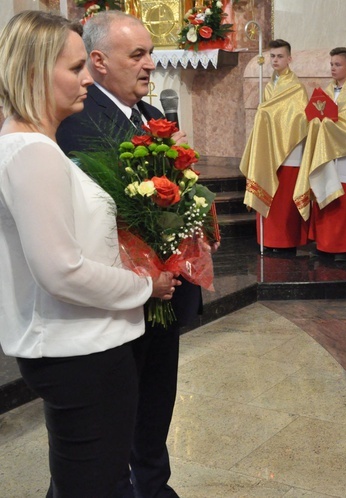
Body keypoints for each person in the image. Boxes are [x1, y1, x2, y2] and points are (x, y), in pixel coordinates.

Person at [0, 11, 176, 497]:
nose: (86, 80)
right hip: (80, 352)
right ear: (35, 71)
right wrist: (147, 285)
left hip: (84, 346)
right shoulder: (33, 152)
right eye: (75, 69)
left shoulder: (33, 144)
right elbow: (62, 270)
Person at [56, 11, 196, 497]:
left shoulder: (141, 113)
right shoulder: (81, 121)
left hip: (160, 290)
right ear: (98, 61)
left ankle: (154, 485)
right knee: (120, 417)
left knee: (156, 403)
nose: (150, 64)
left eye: (151, 52)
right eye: (137, 55)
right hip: (123, 296)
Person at [297, 47, 346, 262]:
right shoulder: (326, 92)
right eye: (331, 64)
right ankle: (325, 243)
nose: (333, 68)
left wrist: (326, 124)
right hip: (326, 156)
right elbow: (315, 116)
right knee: (324, 196)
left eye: (338, 64)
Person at [239, 38, 309, 252]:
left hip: (289, 151)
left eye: (280, 56)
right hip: (269, 151)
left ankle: (285, 242)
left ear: (289, 58)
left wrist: (267, 113)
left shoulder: (296, 87)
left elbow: (299, 117)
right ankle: (268, 240)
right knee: (270, 195)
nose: (275, 60)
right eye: (272, 56)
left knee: (284, 201)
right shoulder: (270, 85)